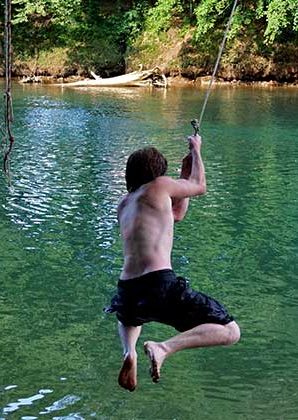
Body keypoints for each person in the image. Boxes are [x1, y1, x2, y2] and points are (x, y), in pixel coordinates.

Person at [104, 135, 240, 392]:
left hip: (127, 288)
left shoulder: (124, 204)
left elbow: (176, 214)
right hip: (159, 283)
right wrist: (197, 151)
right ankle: (163, 347)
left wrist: (184, 173)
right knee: (230, 331)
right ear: (157, 174)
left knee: (130, 319)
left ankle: (129, 352)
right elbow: (199, 186)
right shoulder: (159, 186)